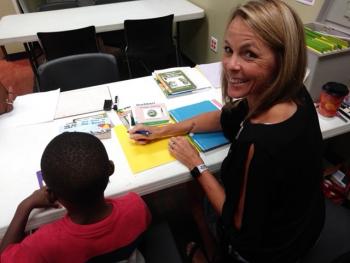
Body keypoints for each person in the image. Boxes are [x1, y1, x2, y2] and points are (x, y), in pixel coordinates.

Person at [129, 0, 325, 262]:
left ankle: (212, 254)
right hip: (304, 222)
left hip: (268, 249)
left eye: (250, 54)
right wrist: (164, 129)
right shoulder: (292, 94)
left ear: (283, 59)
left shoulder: (261, 143)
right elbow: (226, 117)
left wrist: (196, 164)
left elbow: (239, 225)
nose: (231, 65)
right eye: (228, 50)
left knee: (193, 192)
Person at [0, 132, 151, 262]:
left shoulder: (43, 244)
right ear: (110, 169)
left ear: (51, 194)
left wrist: (25, 205)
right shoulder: (136, 205)